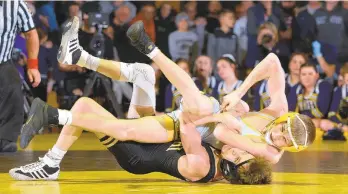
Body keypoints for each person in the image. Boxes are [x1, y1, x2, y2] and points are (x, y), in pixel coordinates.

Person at [22, 17, 315, 166]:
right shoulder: (275, 112)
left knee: (125, 125)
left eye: (286, 142)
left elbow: (224, 135)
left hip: (196, 131)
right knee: (146, 75)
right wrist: (239, 94)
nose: (279, 138)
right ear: (286, 119)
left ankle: (52, 121)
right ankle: (81, 58)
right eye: (284, 131)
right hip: (196, 122)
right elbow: (274, 61)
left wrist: (227, 119)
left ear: (293, 149)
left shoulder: (270, 154)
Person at [0, 0, 41, 152]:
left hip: (2, 62)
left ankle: (5, 139)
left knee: (13, 86)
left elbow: (31, 34)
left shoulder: (16, 5)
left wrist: (33, 66)